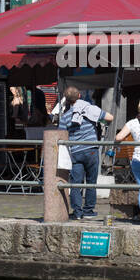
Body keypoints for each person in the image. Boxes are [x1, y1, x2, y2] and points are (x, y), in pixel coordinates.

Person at [58, 86, 108, 221]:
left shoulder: (65, 117)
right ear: (79, 96)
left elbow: (61, 136)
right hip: (91, 149)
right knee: (91, 181)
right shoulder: (88, 110)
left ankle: (77, 212)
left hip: (75, 151)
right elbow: (109, 117)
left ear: (67, 101)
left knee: (76, 182)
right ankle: (89, 210)